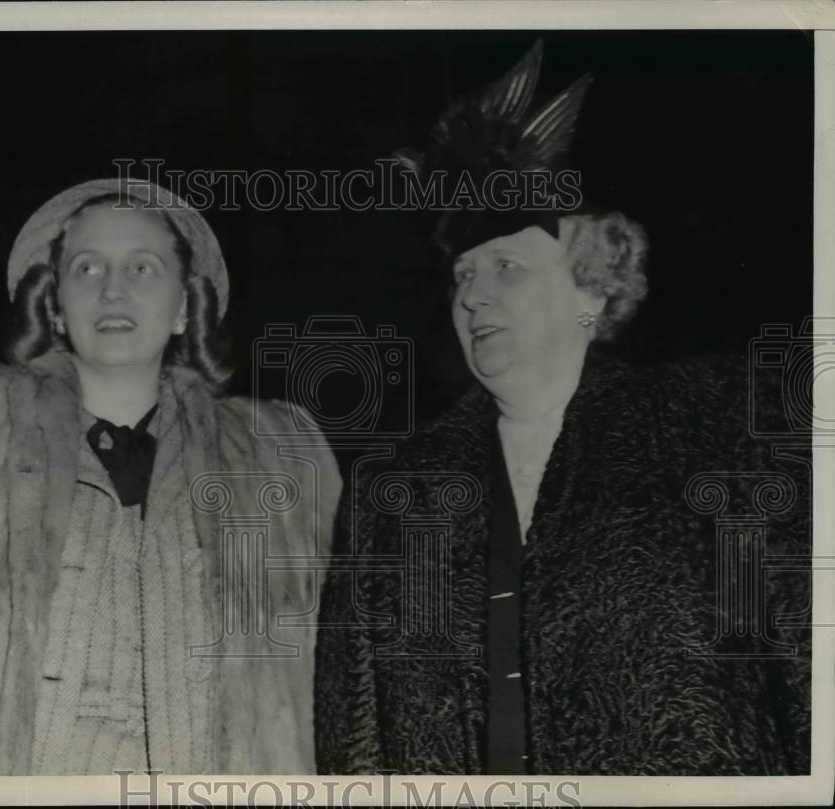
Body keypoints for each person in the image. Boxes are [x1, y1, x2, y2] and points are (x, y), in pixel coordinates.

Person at [314, 41, 811, 776]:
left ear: (593, 287)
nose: (473, 295)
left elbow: (807, 660)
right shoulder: (396, 488)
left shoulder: (716, 426)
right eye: (462, 276)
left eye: (506, 268)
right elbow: (352, 727)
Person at [0, 177, 339, 802]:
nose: (113, 288)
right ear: (54, 304)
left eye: (142, 266)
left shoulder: (274, 458)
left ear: (186, 305)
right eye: (87, 266)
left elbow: (331, 685)